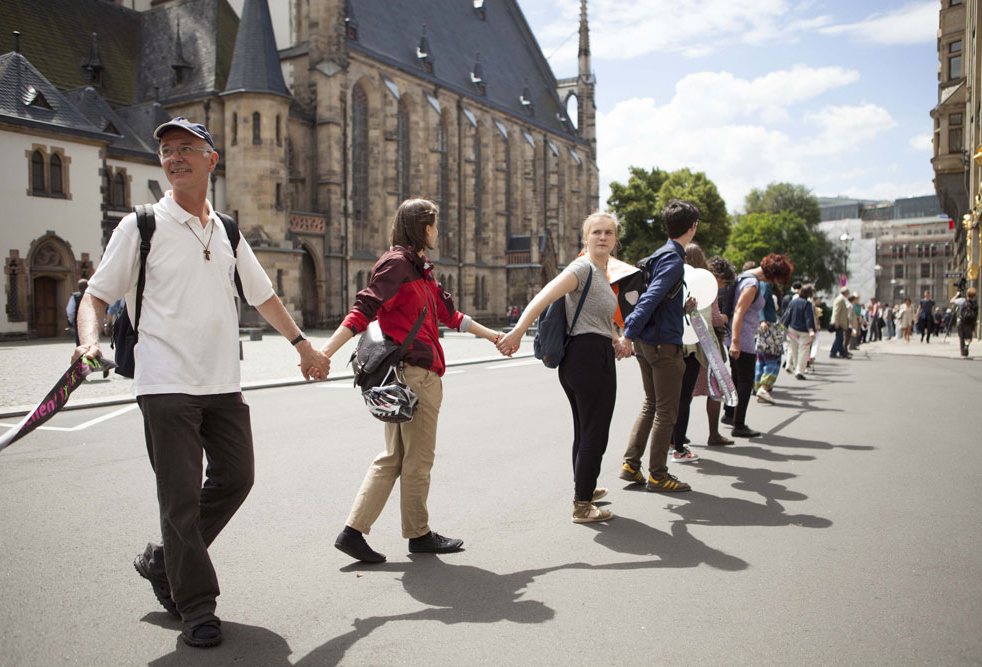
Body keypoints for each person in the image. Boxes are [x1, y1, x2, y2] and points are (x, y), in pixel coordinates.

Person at [71, 117, 330, 649]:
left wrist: (302, 345)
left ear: (213, 159)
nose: (175, 157)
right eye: (166, 150)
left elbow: (263, 296)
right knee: (181, 499)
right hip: (164, 382)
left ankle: (164, 562)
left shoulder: (228, 230)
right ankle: (196, 606)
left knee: (237, 477)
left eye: (187, 148)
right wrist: (88, 341)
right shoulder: (141, 225)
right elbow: (96, 295)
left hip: (221, 382)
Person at [321, 199, 504, 560]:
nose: (439, 231)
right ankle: (418, 535)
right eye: (435, 224)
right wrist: (323, 354)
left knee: (393, 457)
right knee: (417, 459)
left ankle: (352, 531)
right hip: (415, 377)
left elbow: (451, 316)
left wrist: (494, 337)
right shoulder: (398, 265)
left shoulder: (420, 270)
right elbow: (364, 310)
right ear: (423, 228)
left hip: (412, 376)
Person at [499, 211, 628, 522]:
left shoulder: (602, 272)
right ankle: (582, 504)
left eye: (608, 233)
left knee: (586, 429)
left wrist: (615, 338)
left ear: (615, 240)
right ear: (586, 238)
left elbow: (598, 316)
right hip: (584, 357)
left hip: (594, 352)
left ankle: (585, 486)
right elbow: (544, 296)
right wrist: (518, 331)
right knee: (595, 430)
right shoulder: (582, 267)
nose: (602, 237)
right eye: (596, 232)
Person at [616, 199, 699, 492]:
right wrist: (627, 334)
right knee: (666, 410)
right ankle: (658, 475)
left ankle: (631, 464)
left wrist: (682, 309)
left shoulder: (655, 256)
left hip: (647, 343)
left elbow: (656, 299)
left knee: (650, 404)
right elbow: (650, 299)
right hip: (664, 346)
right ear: (692, 227)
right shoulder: (674, 260)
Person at [723, 254, 794, 438]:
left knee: (737, 378)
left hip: (736, 335)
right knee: (745, 381)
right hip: (743, 337)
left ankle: (730, 415)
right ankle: (739, 425)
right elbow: (739, 311)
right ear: (774, 274)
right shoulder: (752, 284)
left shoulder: (745, 276)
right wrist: (737, 342)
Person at [669, 242, 710, 462]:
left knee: (669, 398)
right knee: (683, 398)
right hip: (691, 348)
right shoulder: (701, 284)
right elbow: (708, 320)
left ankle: (671, 441)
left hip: (672, 344)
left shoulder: (673, 279)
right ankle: (679, 446)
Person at [698, 256, 736, 446]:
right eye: (724, 282)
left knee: (685, 392)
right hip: (706, 347)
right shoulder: (709, 287)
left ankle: (676, 437)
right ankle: (713, 434)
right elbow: (714, 319)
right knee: (715, 390)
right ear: (718, 277)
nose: (724, 287)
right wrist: (724, 318)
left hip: (689, 345)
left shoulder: (694, 281)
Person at [753, 279, 783, 405]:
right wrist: (763, 320)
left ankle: (759, 387)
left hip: (761, 327)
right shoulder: (764, 284)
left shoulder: (755, 284)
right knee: (773, 359)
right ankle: (763, 388)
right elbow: (761, 303)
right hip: (769, 326)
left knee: (761, 359)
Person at [783, 284, 816, 379]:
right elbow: (808, 318)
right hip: (804, 331)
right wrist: (811, 330)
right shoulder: (807, 304)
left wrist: (783, 325)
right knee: (803, 350)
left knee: (794, 349)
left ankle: (793, 365)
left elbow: (787, 314)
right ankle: (799, 371)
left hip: (792, 328)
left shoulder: (793, 302)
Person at [951, 287, 979, 357]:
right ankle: (967, 345)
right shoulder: (975, 303)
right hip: (969, 323)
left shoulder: (962, 300)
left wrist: (957, 294)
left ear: (967, 294)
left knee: (961, 337)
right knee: (969, 338)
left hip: (961, 321)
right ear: (974, 295)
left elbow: (952, 301)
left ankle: (963, 353)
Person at [829, 288, 852, 358]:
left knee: (840, 338)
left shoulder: (842, 299)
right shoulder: (840, 300)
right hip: (839, 323)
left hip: (841, 322)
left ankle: (842, 353)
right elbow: (836, 311)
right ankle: (833, 352)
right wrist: (836, 322)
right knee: (839, 338)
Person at [65, 278, 88, 345]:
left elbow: (70, 311)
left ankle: (82, 354)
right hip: (90, 320)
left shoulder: (75, 296)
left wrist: (71, 320)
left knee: (80, 341)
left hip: (78, 321)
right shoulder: (91, 296)